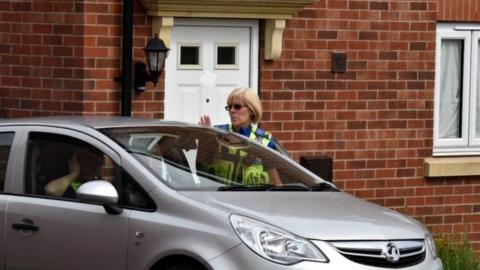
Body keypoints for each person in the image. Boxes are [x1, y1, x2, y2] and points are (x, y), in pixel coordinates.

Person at [199, 87, 284, 185]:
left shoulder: (265, 142)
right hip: (219, 196)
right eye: (229, 107)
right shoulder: (218, 134)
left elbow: (276, 182)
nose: (232, 110)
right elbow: (201, 167)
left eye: (237, 107)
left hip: (251, 198)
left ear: (251, 110)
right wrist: (205, 139)